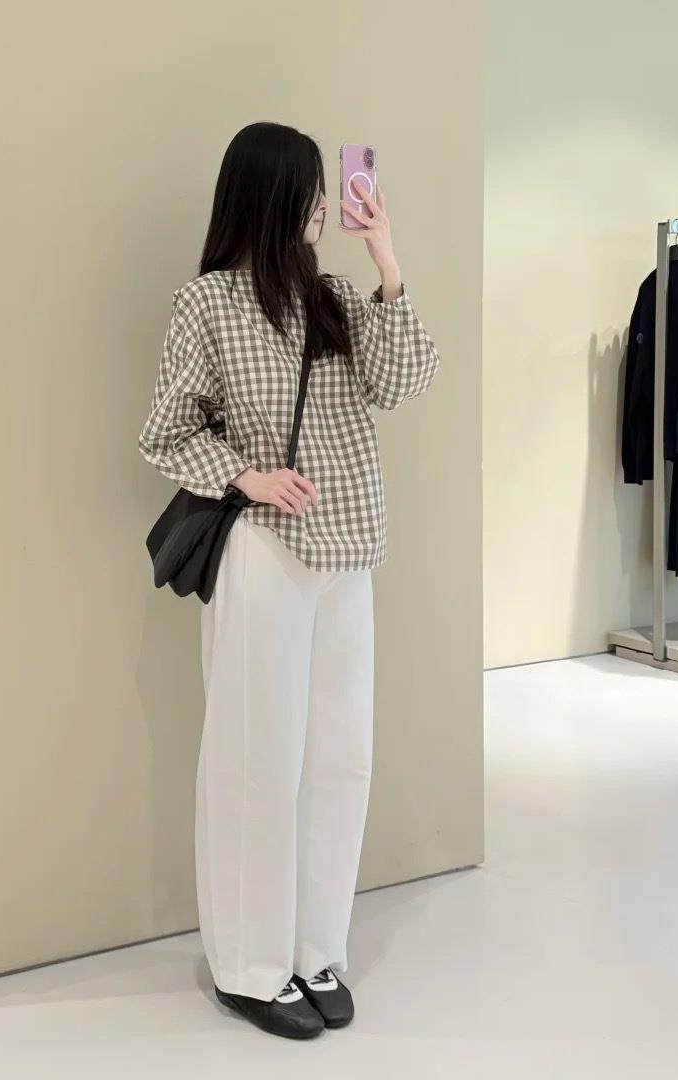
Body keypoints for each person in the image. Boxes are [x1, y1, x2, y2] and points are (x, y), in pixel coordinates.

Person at [138, 122, 440, 1040]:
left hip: (350, 551)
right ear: (270, 194)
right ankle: (250, 966)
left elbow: (403, 382)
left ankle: (315, 950)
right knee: (257, 757)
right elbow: (165, 430)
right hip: (265, 551)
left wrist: (386, 260)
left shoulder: (338, 296)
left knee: (340, 758)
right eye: (309, 189)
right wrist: (246, 474)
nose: (321, 204)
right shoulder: (208, 303)